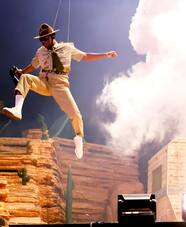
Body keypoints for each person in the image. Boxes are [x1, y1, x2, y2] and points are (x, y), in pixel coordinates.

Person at [1, 23, 117, 159]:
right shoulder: (40, 51)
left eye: (46, 39)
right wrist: (21, 72)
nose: (44, 42)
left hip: (60, 84)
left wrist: (106, 55)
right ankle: (17, 109)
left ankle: (79, 138)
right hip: (44, 81)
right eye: (41, 40)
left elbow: (85, 56)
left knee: (75, 114)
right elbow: (33, 65)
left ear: (52, 36)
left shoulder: (67, 47)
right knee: (26, 78)